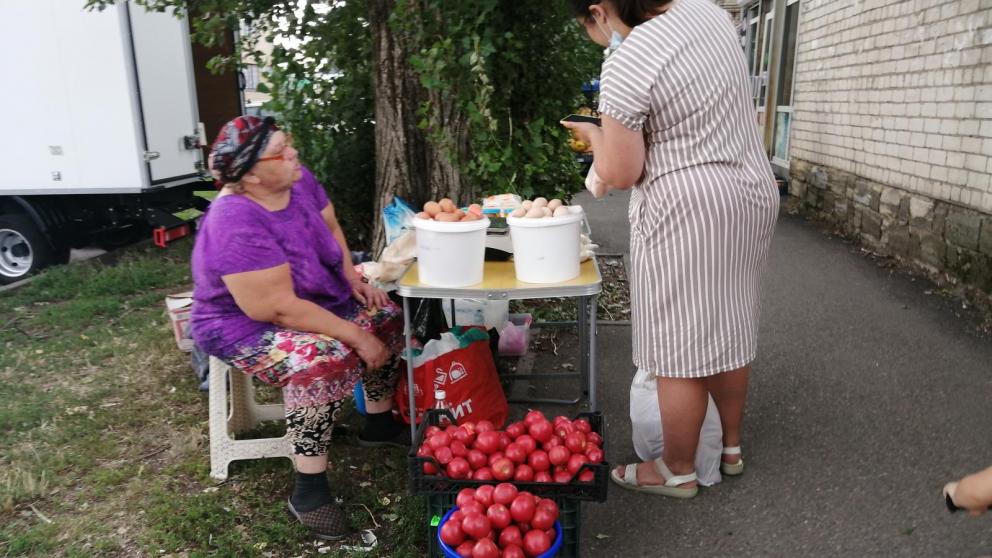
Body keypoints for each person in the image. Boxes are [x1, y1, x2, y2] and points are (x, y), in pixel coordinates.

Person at [563, 0, 779, 498]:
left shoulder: (627, 60)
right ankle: (730, 448)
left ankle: (676, 468)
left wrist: (595, 133)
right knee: (730, 321)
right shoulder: (709, 14)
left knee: (678, 346)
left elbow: (622, 171)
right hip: (751, 189)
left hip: (688, 210)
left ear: (599, 11)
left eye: (586, 28)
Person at [190, 115, 407, 540]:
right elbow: (279, 310)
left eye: (289, 144)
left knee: (386, 314)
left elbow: (330, 225)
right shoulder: (234, 219)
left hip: (315, 295)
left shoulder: (297, 179)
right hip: (240, 323)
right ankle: (309, 491)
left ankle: (378, 425)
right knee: (320, 360)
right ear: (251, 174)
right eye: (281, 151)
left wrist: (351, 278)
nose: (293, 155)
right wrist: (354, 336)